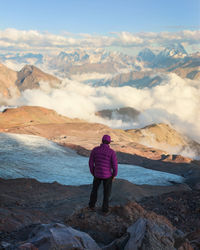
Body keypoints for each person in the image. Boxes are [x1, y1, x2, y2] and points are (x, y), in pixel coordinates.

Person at [88, 134, 118, 215]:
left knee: (94, 190)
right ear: (109, 142)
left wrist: (93, 172)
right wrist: (114, 175)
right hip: (107, 175)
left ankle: (91, 206)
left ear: (102, 141)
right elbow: (115, 165)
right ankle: (105, 210)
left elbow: (91, 163)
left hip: (97, 174)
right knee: (106, 193)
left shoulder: (95, 150)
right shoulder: (112, 152)